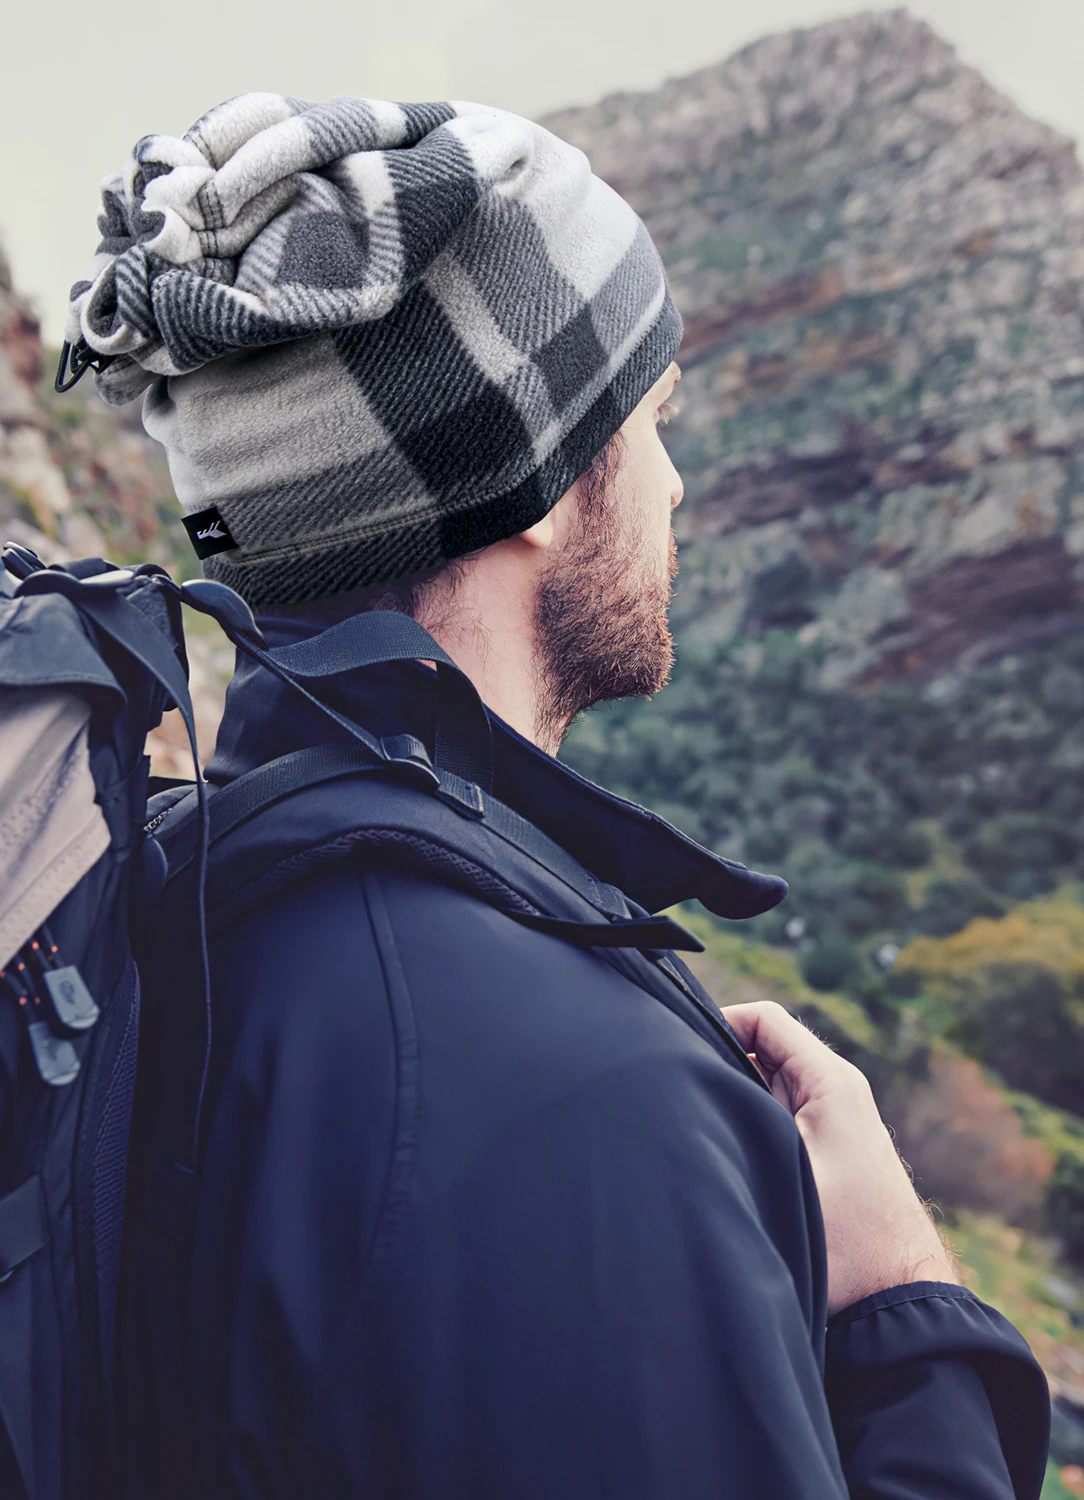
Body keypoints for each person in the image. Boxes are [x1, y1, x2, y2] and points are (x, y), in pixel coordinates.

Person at [65, 94, 1050, 1497]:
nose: (681, 482)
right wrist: (901, 1307)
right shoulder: (561, 1101)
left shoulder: (191, 884)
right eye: (652, 420)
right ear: (526, 484)